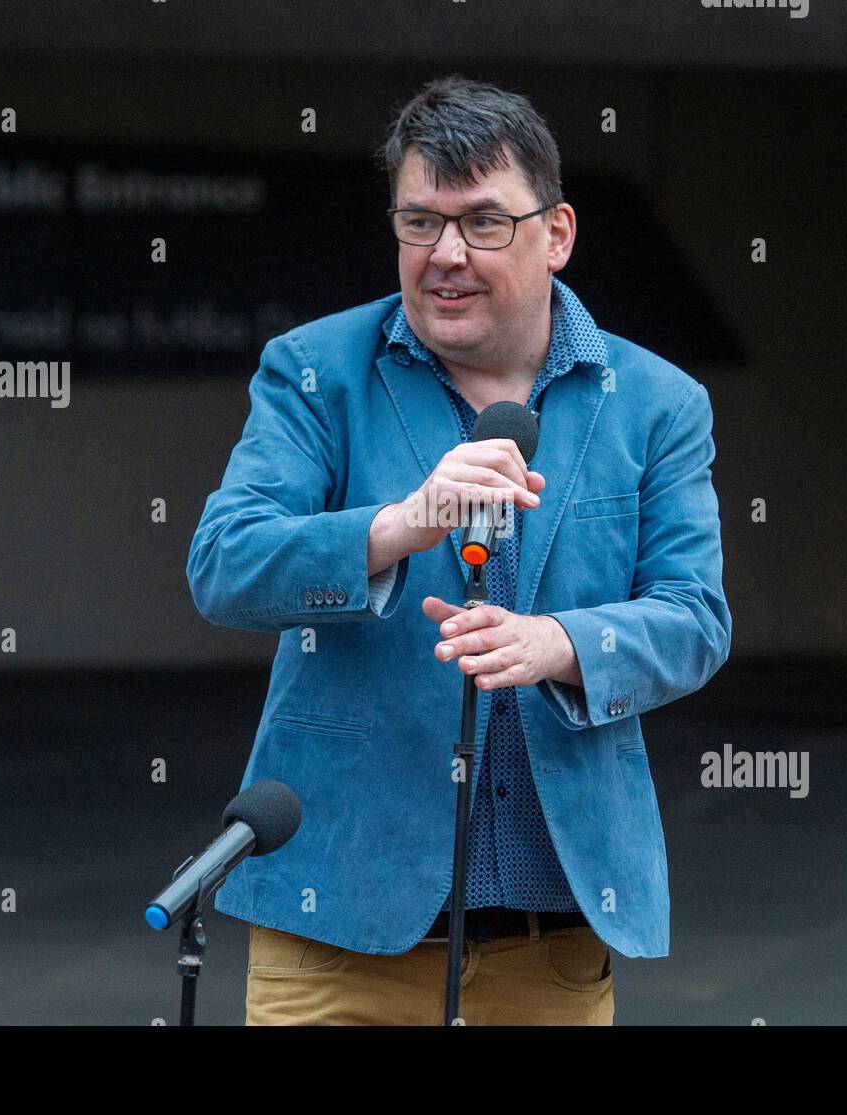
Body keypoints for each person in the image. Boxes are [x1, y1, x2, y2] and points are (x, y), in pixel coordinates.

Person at [186, 74, 731, 1025]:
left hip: (549, 945)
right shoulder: (316, 372)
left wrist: (557, 643)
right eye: (418, 222)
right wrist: (401, 524)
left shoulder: (658, 403)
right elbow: (225, 563)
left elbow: (694, 617)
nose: (445, 255)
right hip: (336, 939)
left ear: (556, 233)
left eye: (483, 223)